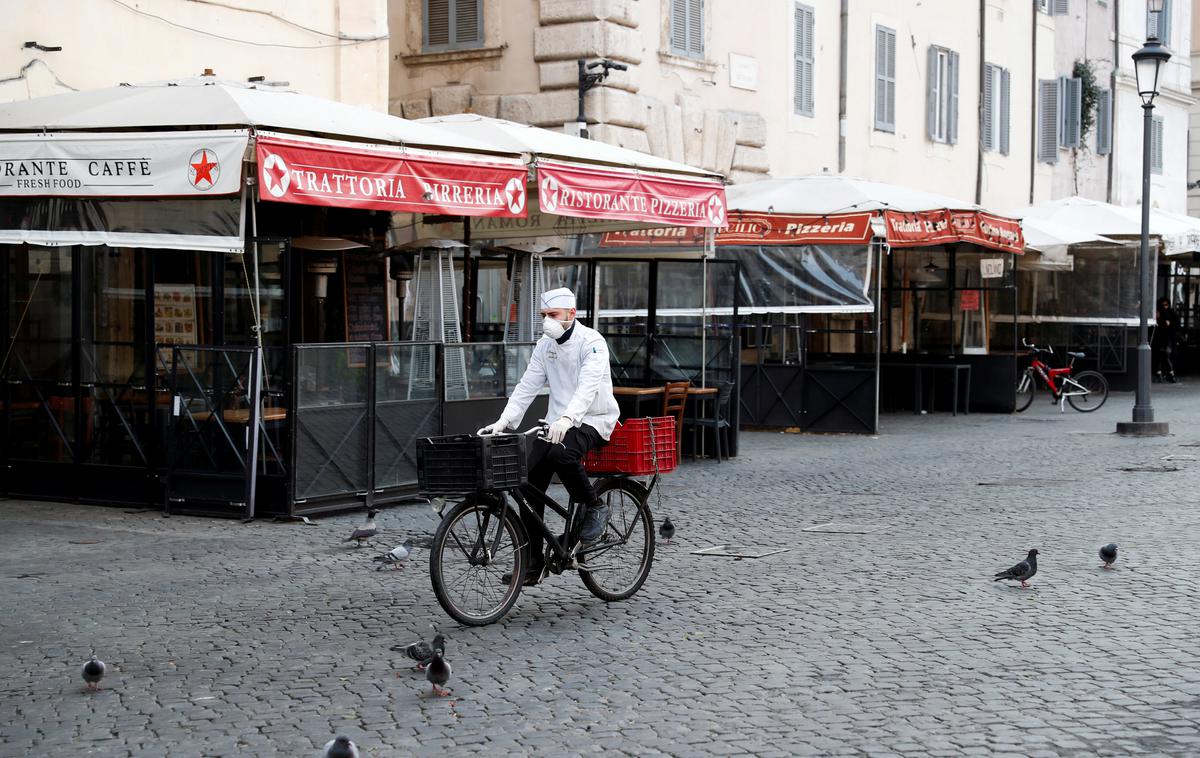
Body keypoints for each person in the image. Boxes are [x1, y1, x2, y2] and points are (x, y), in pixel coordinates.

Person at [477, 287, 620, 585]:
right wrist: (504, 421)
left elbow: (588, 386)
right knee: (526, 477)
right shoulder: (545, 345)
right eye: (543, 316)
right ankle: (533, 562)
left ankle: (595, 507)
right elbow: (527, 385)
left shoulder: (592, 342)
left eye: (553, 315)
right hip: (557, 423)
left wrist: (569, 417)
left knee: (560, 454)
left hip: (594, 419)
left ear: (572, 314)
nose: (547, 322)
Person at [1152, 297, 1178, 383]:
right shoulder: (1159, 313)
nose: (1165, 306)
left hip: (1168, 339)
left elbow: (1174, 325)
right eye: (1163, 305)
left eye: (1166, 305)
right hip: (1160, 338)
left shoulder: (1170, 313)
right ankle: (1164, 374)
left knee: (1166, 356)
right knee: (1160, 356)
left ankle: (1168, 374)